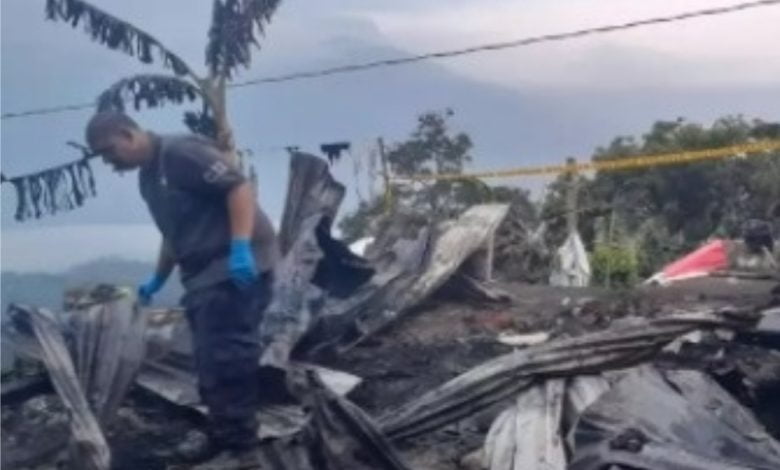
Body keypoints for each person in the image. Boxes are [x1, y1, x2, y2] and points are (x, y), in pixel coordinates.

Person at [85, 111, 278, 464]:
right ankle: (226, 435)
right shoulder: (149, 177)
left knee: (228, 356)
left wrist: (239, 248)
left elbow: (238, 187)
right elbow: (174, 235)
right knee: (207, 359)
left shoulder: (179, 153)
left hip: (233, 268)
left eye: (110, 150)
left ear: (128, 134)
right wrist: (157, 279)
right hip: (203, 275)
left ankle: (245, 450)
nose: (109, 161)